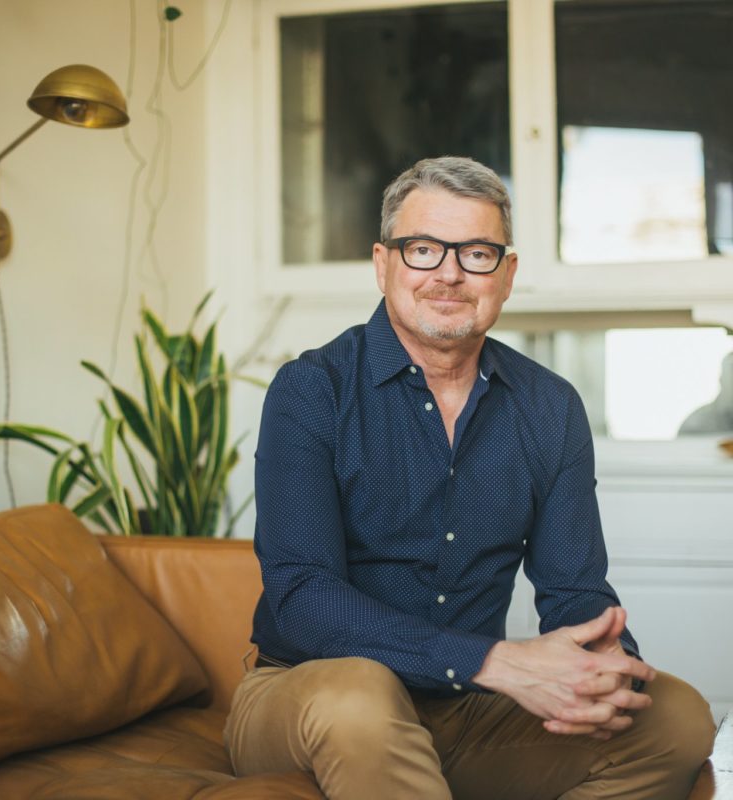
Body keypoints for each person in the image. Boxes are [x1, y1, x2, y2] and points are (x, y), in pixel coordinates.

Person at [224, 156, 715, 799]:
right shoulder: (312, 389)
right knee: (361, 692)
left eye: (478, 253)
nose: (450, 273)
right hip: (310, 695)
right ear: (383, 264)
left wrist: (601, 662)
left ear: (506, 275)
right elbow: (303, 597)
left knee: (673, 716)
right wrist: (493, 660)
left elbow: (573, 590)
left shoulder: (549, 406)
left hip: (467, 710)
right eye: (424, 249)